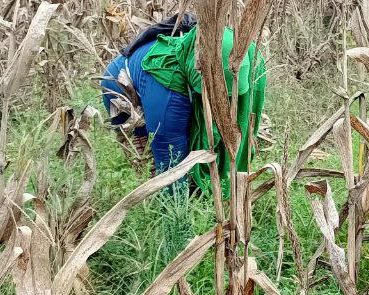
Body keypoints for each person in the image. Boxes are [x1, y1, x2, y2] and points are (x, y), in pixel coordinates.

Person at [101, 14, 267, 195]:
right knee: (152, 164)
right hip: (122, 87)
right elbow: (170, 164)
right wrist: (179, 211)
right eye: (216, 94)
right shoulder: (169, 92)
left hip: (175, 91)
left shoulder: (250, 59)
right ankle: (158, 210)